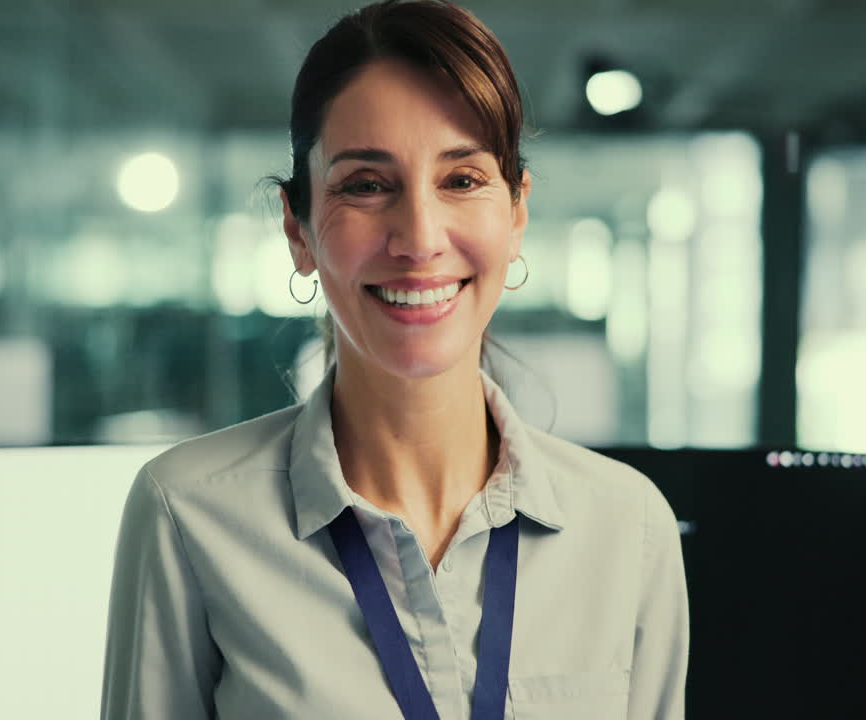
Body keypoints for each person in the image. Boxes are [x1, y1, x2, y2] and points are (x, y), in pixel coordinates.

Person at [100, 1, 688, 718]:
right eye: (366, 185)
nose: (418, 238)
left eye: (462, 180)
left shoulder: (628, 527)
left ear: (517, 214)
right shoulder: (189, 513)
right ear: (298, 229)